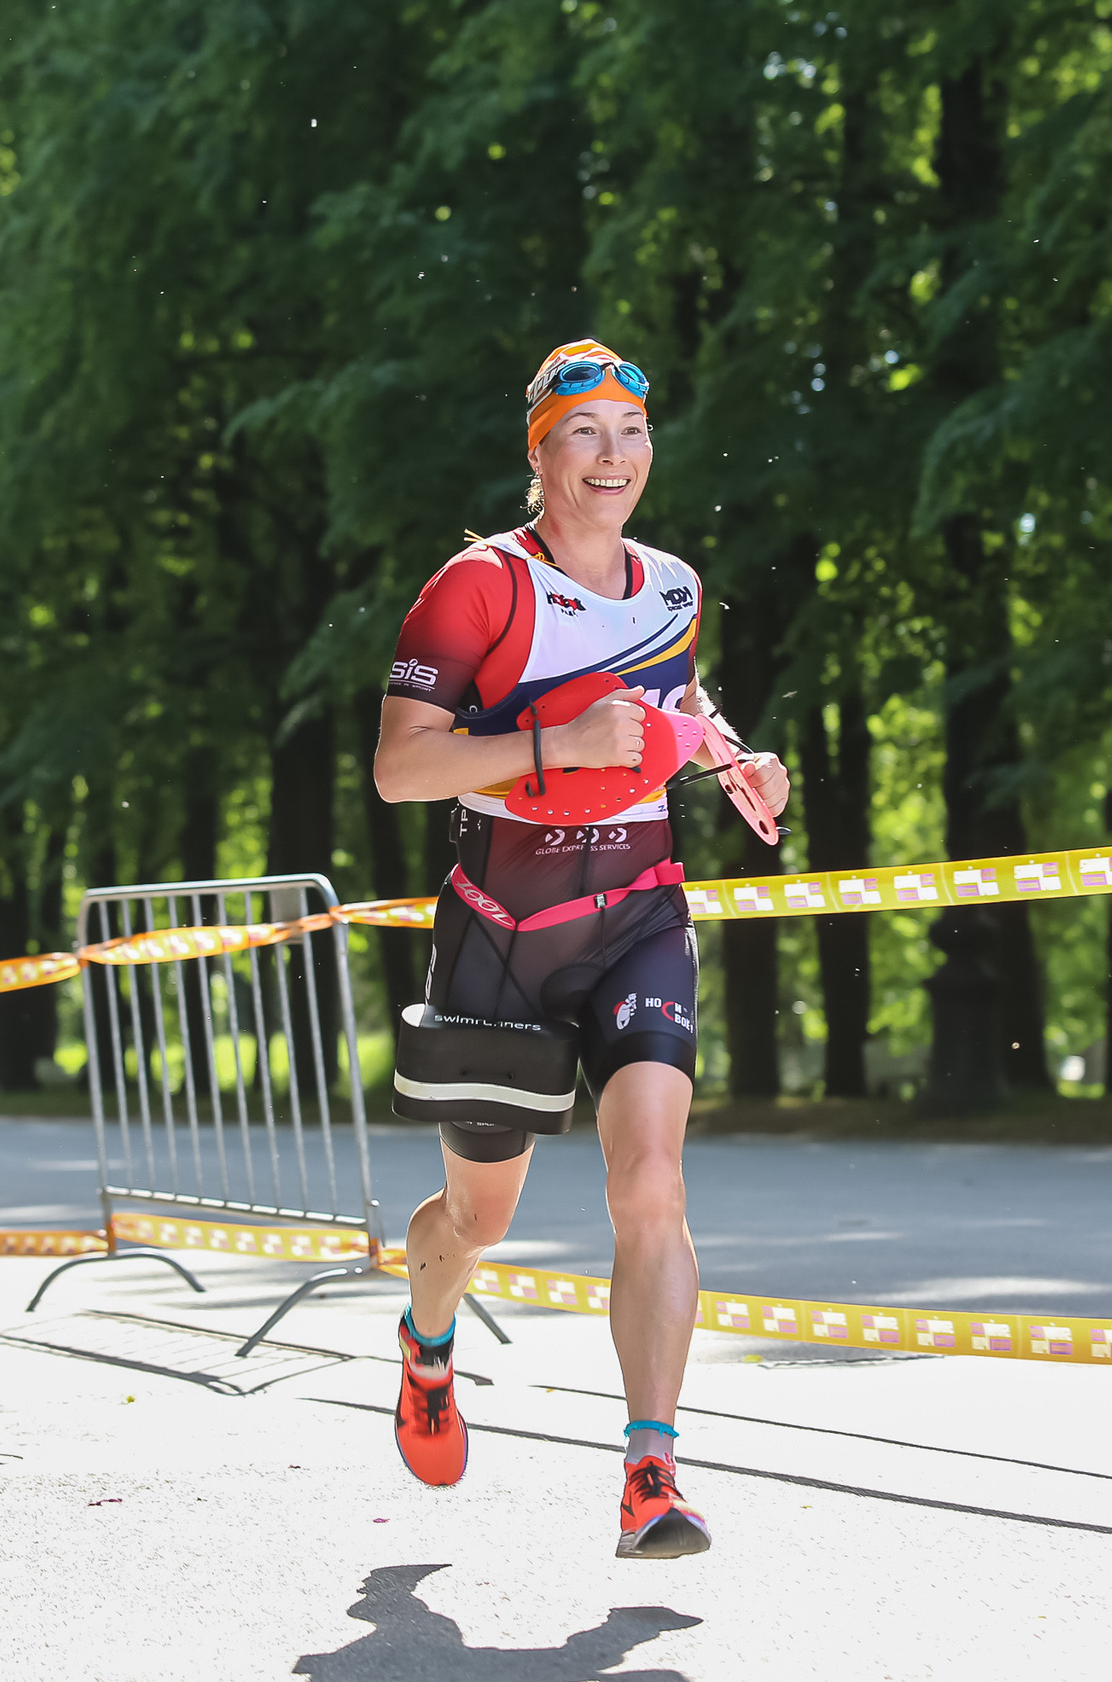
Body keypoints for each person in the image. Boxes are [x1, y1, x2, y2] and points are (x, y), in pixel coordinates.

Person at [373, 339, 790, 1559]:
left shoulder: (673, 583)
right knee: (477, 1219)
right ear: (542, 455)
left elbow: (676, 706)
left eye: (632, 434)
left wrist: (731, 755)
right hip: (500, 936)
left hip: (638, 915)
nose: (614, 459)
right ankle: (428, 1342)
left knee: (648, 1182)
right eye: (586, 436)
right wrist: (555, 750)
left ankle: (650, 1472)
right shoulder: (478, 587)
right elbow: (403, 768)